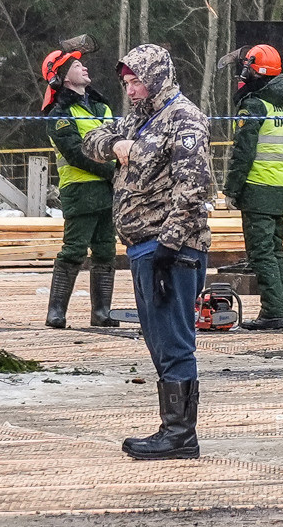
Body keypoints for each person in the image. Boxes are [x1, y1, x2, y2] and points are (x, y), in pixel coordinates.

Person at [85, 44, 215, 460]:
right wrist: (114, 145)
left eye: (137, 81)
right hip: (143, 246)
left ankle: (179, 434)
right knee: (159, 343)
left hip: (171, 249)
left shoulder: (183, 119)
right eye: (126, 83)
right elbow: (90, 139)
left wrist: (170, 245)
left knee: (174, 342)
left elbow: (194, 189)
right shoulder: (138, 121)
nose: (131, 90)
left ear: (157, 77)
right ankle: (173, 429)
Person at [41, 43, 119, 330]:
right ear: (61, 77)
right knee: (73, 251)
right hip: (81, 192)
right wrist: (112, 171)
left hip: (109, 192)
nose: (83, 67)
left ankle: (101, 313)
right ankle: (56, 312)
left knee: (105, 251)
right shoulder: (59, 115)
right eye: (75, 66)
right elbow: (76, 152)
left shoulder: (103, 106)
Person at [225, 43, 283, 331]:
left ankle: (273, 312)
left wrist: (231, 189)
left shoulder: (255, 105)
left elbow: (243, 153)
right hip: (280, 187)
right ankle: (279, 309)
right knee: (275, 251)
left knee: (261, 253)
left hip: (257, 187)